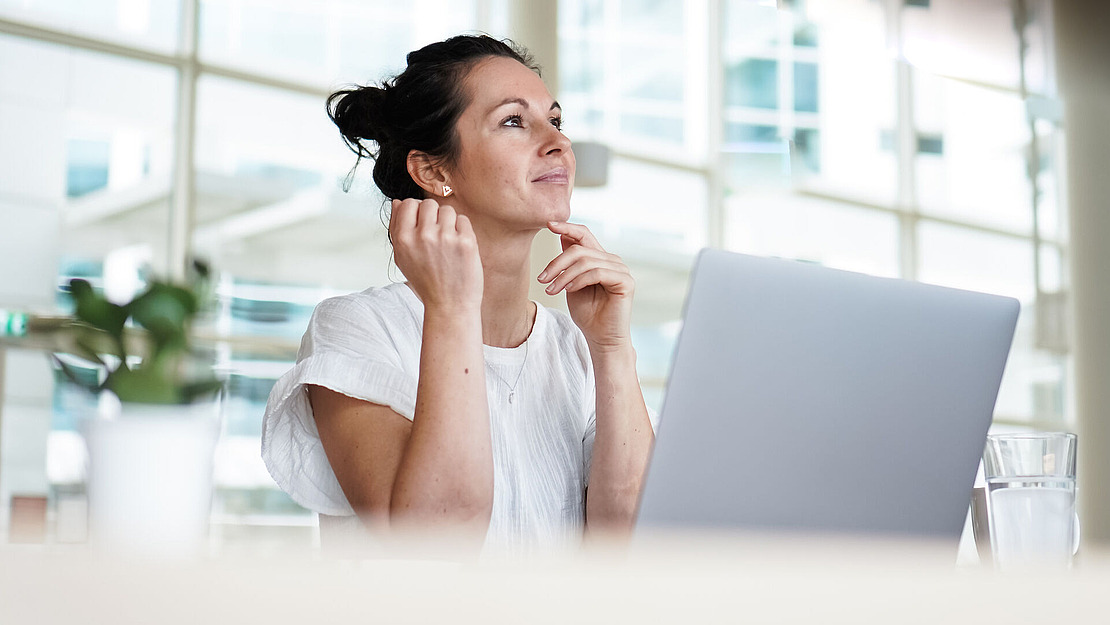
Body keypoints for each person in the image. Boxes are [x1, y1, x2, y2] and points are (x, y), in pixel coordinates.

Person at [261, 34, 655, 558]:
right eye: (515, 121)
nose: (558, 143)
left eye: (555, 121)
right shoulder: (359, 328)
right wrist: (451, 308)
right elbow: (436, 540)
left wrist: (611, 350)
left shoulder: (576, 349)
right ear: (433, 171)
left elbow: (633, 544)